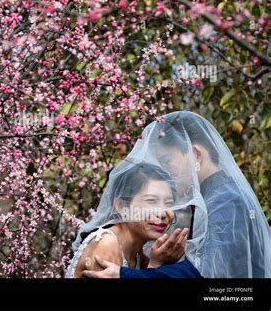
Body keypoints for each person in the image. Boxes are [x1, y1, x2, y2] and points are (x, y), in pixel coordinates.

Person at [82, 111, 271, 278]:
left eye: (167, 160)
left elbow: (202, 272)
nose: (165, 171)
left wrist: (125, 275)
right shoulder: (215, 195)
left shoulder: (226, 199)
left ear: (196, 154)